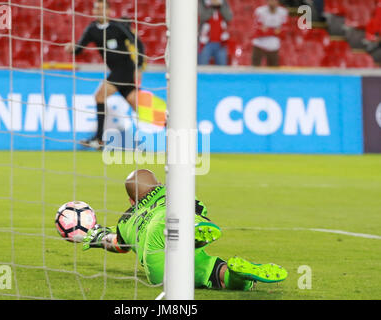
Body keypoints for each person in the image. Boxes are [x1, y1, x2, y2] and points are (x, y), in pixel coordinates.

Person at [81, 169, 288, 290]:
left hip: (158, 271)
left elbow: (118, 245)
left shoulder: (125, 220)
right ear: (159, 183)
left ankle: (238, 278)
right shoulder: (171, 190)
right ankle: (194, 229)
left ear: (131, 200)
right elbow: (200, 207)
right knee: (175, 214)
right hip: (164, 226)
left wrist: (98, 237)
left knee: (208, 270)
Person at [65, 0, 145, 149]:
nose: (99, 11)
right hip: (116, 72)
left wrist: (138, 66)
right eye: (97, 8)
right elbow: (79, 49)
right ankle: (170, 128)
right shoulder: (92, 29)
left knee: (99, 96)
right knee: (140, 107)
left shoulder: (118, 26)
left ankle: (99, 139)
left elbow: (138, 44)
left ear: (108, 11)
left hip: (125, 69)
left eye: (102, 8)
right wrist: (72, 48)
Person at [251, 0, 288, 67]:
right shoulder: (260, 11)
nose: (272, 2)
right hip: (259, 44)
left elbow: (283, 32)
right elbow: (257, 30)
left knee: (273, 69)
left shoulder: (283, 12)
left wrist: (267, 30)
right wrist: (275, 31)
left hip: (273, 45)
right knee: (255, 68)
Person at [198, 0, 233, 66]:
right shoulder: (202, 2)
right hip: (205, 42)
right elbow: (202, 17)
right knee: (202, 67)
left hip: (221, 43)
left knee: (222, 69)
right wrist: (212, 6)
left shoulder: (223, 3)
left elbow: (229, 17)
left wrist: (220, 6)